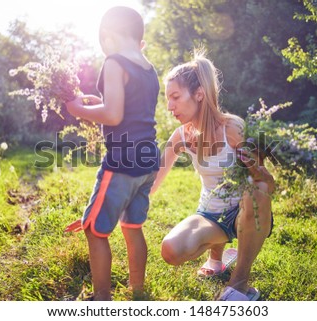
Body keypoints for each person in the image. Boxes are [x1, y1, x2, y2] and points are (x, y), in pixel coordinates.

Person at [150, 50, 275, 301]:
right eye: (167, 99)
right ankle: (218, 258)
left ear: (198, 94)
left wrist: (254, 165)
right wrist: (115, 208)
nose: (169, 106)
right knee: (171, 250)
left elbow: (267, 184)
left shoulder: (232, 127)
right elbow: (153, 179)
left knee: (255, 190)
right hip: (211, 215)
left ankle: (239, 284)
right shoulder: (181, 135)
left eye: (175, 97)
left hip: (247, 211)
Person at [64, 6, 160, 301]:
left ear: (107, 36)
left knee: (95, 231)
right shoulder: (148, 67)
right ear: (139, 39)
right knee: (132, 227)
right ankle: (139, 291)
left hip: (122, 162)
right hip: (148, 160)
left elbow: (114, 115)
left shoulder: (114, 62)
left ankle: (101, 300)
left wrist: (78, 108)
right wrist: (99, 102)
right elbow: (129, 108)